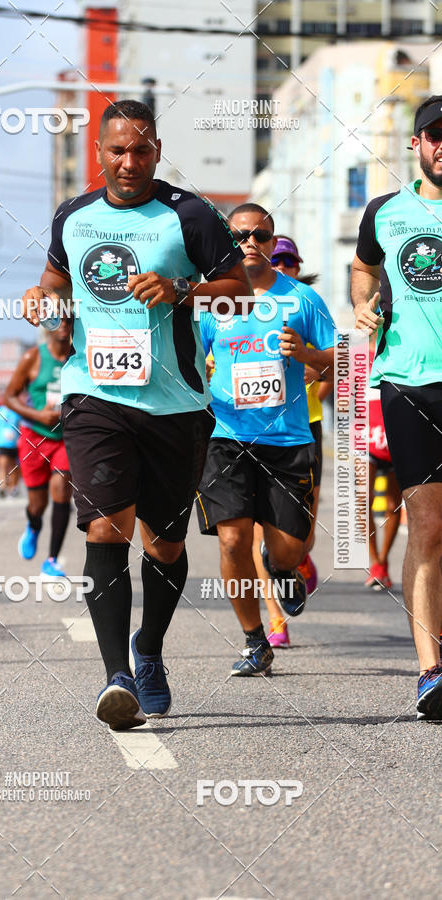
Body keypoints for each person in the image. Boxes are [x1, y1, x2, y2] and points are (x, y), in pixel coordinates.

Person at [21, 99, 250, 729]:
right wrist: (42, 298)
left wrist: (185, 289)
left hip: (175, 402)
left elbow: (240, 290)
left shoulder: (190, 215)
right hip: (95, 396)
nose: (130, 161)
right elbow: (55, 279)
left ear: (157, 151)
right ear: (100, 152)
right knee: (104, 529)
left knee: (167, 545)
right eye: (118, 150)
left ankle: (148, 650)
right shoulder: (73, 216)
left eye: (141, 150)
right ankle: (116, 674)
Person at [196, 203, 336, 676]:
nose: (249, 243)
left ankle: (281, 569)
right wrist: (203, 371)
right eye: (239, 236)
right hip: (226, 436)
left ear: (274, 243)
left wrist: (311, 353)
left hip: (288, 440)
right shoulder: (212, 303)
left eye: (260, 235)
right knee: (232, 540)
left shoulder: (301, 299)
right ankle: (255, 641)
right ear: (227, 242)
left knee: (289, 551)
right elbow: (185, 358)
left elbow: (345, 359)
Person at [351, 95, 442, 719]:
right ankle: (430, 669)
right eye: (436, 136)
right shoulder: (386, 211)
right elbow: (363, 269)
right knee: (430, 527)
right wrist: (363, 306)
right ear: (417, 144)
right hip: (410, 382)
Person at [271, 236, 333, 605]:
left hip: (303, 425)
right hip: (253, 427)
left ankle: (293, 558)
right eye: (275, 260)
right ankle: (272, 626)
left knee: (302, 533)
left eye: (287, 262)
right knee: (259, 527)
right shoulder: (245, 303)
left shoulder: (306, 307)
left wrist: (316, 370)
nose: (280, 267)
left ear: (297, 266)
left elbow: (340, 366)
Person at [4, 320, 72, 578]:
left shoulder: (80, 356)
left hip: (65, 438)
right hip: (35, 437)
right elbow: (9, 396)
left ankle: (52, 560)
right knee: (37, 504)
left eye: (69, 319)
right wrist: (37, 415)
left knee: (62, 487)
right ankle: (33, 527)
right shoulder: (33, 357)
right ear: (47, 326)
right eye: (58, 319)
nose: (64, 324)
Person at [366, 333, 402, 590]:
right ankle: (375, 562)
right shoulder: (356, 353)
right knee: (361, 503)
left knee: (393, 504)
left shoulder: (398, 349)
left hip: (396, 434)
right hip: (365, 437)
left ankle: (384, 561)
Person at [0, 403, 21, 497]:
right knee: (2, 465)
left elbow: (20, 426)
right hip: (1, 443)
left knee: (13, 467)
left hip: (14, 444)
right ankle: (2, 487)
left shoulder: (17, 411)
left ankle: (13, 487)